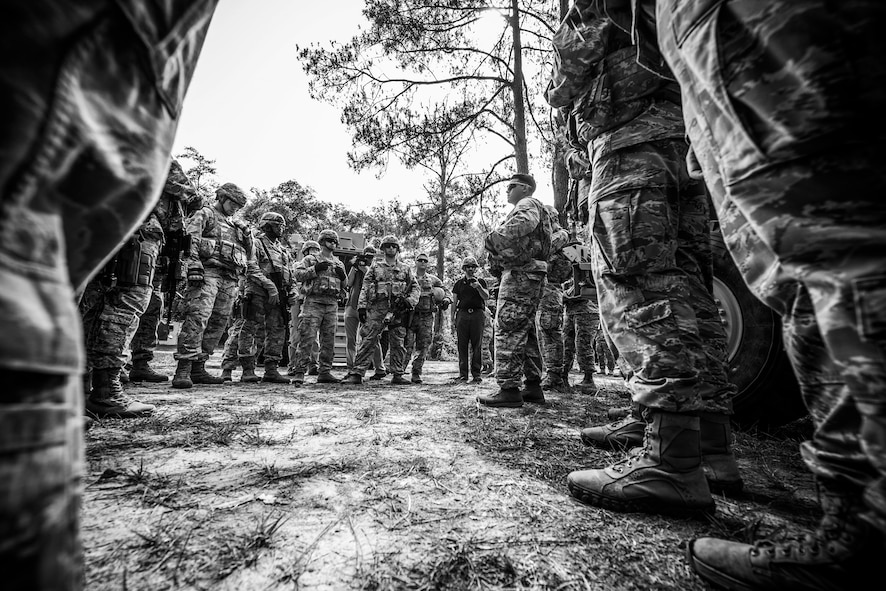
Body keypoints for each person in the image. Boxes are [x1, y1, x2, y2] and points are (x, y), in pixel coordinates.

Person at [651, 0, 886, 587]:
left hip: (755, 34)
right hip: (723, 52)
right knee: (808, 262)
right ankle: (856, 517)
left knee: (838, 239)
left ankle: (868, 528)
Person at [0, 2, 218, 587]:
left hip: (142, 61)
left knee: (46, 280)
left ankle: (93, 389)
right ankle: (105, 384)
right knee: (25, 272)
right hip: (96, 48)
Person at [545, 1, 741, 516]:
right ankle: (712, 446)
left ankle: (670, 460)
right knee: (692, 291)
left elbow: (566, 77)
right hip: (686, 146)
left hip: (632, 145)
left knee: (640, 287)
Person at [80, 161, 192, 418]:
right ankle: (104, 392)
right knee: (120, 312)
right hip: (134, 235)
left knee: (98, 308)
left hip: (125, 231)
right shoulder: (149, 146)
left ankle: (89, 390)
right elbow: (183, 188)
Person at [172, 182, 263, 388]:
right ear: (222, 198)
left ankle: (199, 367)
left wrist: (248, 237)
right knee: (197, 318)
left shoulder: (236, 226)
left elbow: (250, 256)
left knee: (218, 322)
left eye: (239, 206)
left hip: (230, 278)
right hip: (208, 273)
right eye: (233, 204)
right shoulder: (205, 214)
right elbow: (191, 239)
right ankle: (183, 369)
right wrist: (194, 265)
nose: (236, 209)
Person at [479, 173, 553, 407]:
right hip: (530, 273)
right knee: (526, 330)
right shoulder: (535, 207)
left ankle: (508, 389)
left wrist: (492, 240)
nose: (507, 191)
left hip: (521, 273)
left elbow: (523, 224)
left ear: (524, 188)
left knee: (508, 326)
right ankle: (532, 386)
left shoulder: (527, 203)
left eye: (511, 186)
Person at [127, 159, 199, 384]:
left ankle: (140, 362)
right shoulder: (156, 158)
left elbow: (191, 201)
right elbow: (192, 194)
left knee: (153, 305)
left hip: (162, 247)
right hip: (140, 237)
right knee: (130, 300)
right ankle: (115, 364)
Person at [342, 235, 420, 385]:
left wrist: (409, 302)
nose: (391, 248)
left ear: (397, 249)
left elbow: (415, 288)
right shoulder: (375, 267)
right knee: (368, 339)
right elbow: (365, 286)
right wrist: (362, 307)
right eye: (388, 246)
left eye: (394, 246)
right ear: (383, 249)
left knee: (397, 341)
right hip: (377, 308)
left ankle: (397, 374)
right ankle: (357, 373)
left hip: (398, 310)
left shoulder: (405, 269)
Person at [239, 212, 294, 383]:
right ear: (268, 226)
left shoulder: (283, 250)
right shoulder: (256, 243)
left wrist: (292, 292)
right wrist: (270, 287)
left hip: (279, 297)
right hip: (258, 293)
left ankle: (271, 369)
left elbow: (291, 274)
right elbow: (250, 267)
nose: (281, 229)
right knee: (251, 329)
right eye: (279, 226)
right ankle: (248, 369)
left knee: (277, 330)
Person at [290, 229, 347, 385]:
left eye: (335, 241)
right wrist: (315, 269)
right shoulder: (311, 259)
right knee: (307, 337)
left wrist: (343, 277)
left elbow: (344, 285)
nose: (333, 244)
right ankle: (299, 371)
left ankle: (325, 372)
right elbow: (297, 275)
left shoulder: (339, 263)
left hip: (331, 304)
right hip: (313, 302)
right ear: (322, 242)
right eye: (330, 241)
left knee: (328, 340)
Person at [537, 205, 574, 393]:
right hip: (545, 288)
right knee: (545, 331)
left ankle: (555, 376)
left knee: (550, 330)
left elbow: (544, 248)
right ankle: (551, 373)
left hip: (552, 289)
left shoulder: (561, 235)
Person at [405, 252, 451, 384]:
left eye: (425, 261)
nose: (423, 262)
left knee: (423, 345)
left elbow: (446, 290)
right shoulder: (410, 278)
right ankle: (399, 372)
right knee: (407, 344)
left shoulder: (433, 280)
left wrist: (446, 299)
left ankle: (416, 372)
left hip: (426, 317)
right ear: (416, 262)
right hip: (410, 316)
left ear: (428, 263)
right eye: (420, 260)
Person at [344, 245, 387, 378]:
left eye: (370, 257)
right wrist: (354, 267)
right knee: (350, 339)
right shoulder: (357, 267)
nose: (367, 259)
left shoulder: (377, 269)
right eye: (366, 257)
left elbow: (375, 284)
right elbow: (348, 283)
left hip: (368, 307)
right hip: (352, 305)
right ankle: (351, 367)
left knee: (371, 337)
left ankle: (379, 368)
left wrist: (366, 269)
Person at [450, 256, 489, 383]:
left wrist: (478, 287)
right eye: (468, 267)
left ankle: (476, 374)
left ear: (475, 268)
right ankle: (463, 374)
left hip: (478, 314)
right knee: (462, 344)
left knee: (476, 344)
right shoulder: (458, 284)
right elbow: (454, 301)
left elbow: (486, 297)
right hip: (462, 314)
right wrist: (452, 318)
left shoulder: (481, 282)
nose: (470, 269)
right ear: (464, 268)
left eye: (473, 266)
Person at [287, 240, 320, 376]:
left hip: (311, 302)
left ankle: (313, 364)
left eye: (315, 250)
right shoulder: (298, 265)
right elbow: (296, 279)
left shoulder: (322, 265)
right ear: (305, 252)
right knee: (295, 333)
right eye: (311, 250)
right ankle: (293, 365)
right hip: (297, 302)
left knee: (314, 335)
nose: (313, 253)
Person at [562, 278, 599, 391]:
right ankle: (563, 376)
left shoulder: (587, 270)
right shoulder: (572, 274)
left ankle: (588, 379)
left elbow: (580, 290)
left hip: (587, 311)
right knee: (566, 345)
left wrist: (563, 295)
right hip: (571, 311)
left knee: (583, 345)